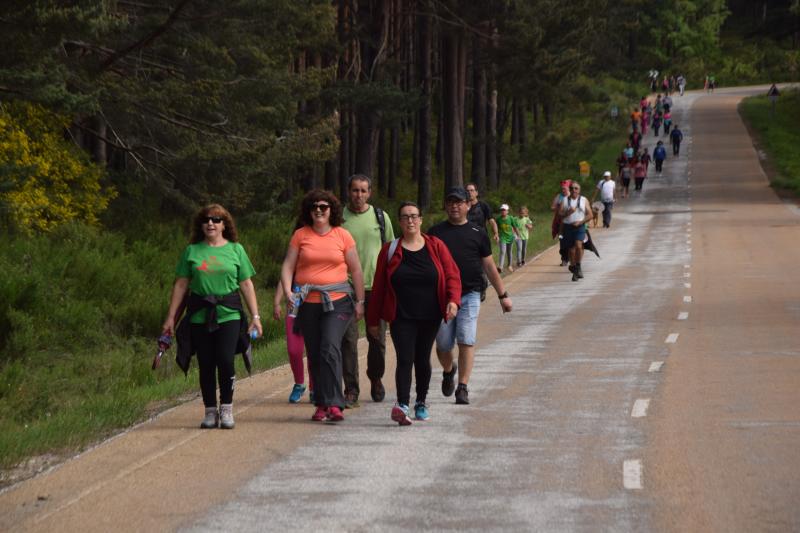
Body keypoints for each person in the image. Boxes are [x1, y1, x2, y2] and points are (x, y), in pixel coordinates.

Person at [163, 204, 262, 430]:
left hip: (229, 313)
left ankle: (226, 407)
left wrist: (255, 316)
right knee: (206, 362)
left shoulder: (236, 249)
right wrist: (171, 318)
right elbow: (181, 285)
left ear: (224, 225)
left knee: (225, 360)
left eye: (216, 219)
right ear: (201, 225)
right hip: (200, 314)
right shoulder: (192, 251)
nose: (211, 223)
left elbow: (246, 284)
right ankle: (210, 410)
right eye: (206, 219)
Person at [367, 202, 461, 425]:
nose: (410, 220)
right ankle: (402, 404)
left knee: (422, 358)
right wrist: (372, 320)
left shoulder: (436, 246)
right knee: (405, 358)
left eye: (414, 216)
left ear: (420, 220)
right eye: (405, 217)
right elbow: (379, 286)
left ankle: (421, 402)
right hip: (401, 315)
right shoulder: (390, 250)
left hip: (431, 314)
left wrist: (453, 301)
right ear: (399, 222)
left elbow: (452, 275)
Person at [280, 190, 365, 423]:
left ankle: (335, 404)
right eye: (314, 207)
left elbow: (356, 269)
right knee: (316, 352)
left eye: (323, 207)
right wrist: (288, 292)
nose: (319, 210)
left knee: (330, 347)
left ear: (331, 210)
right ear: (308, 211)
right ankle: (321, 403)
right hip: (308, 303)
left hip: (338, 302)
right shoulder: (300, 235)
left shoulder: (342, 235)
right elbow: (288, 266)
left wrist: (360, 301)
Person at [428, 186, 513, 405]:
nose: (454, 206)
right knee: (443, 344)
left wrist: (503, 295)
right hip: (443, 297)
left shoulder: (478, 233)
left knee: (466, 339)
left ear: (468, 205)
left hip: (470, 294)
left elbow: (489, 266)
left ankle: (463, 387)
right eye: (450, 202)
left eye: (459, 202)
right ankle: (449, 370)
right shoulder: (435, 233)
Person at [340, 174, 395, 408]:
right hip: (346, 287)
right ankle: (351, 389)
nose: (359, 195)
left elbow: (391, 249)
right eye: (355, 190)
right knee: (348, 340)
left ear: (370, 193)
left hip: (375, 286)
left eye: (363, 191)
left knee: (377, 339)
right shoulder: (338, 217)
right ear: (348, 191)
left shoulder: (381, 217)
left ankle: (376, 378)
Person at [274, 279, 313, 403]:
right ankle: (299, 384)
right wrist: (277, 303)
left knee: (314, 350)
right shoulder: (293, 264)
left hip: (315, 306)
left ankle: (315, 387)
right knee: (293, 350)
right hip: (294, 307)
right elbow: (284, 278)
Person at [560, 182, 593, 282]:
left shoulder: (583, 200)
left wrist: (580, 222)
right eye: (572, 188)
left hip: (580, 227)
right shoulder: (565, 200)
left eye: (576, 188)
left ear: (579, 190)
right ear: (570, 190)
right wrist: (568, 212)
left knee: (578, 245)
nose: (574, 190)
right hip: (568, 227)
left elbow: (590, 215)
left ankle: (577, 266)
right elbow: (560, 215)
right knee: (571, 250)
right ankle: (574, 268)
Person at [495, 203, 520, 273]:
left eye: (504, 210)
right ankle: (500, 267)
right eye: (502, 210)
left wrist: (518, 235)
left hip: (510, 237)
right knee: (502, 251)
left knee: (509, 251)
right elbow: (495, 228)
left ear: (507, 211)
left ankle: (509, 265)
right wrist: (496, 235)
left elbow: (515, 227)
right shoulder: (498, 219)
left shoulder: (511, 218)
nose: (503, 211)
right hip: (502, 237)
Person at [551, 180, 572, 267]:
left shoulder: (573, 196)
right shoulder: (559, 196)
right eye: (562, 189)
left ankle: (572, 257)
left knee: (572, 240)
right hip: (560, 221)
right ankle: (564, 259)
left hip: (572, 222)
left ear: (568, 189)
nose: (563, 190)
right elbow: (552, 207)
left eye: (565, 189)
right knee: (562, 240)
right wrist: (558, 207)